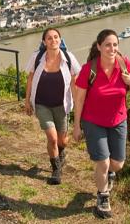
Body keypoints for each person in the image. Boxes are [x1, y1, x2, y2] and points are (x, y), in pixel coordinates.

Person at [72, 29, 130, 219]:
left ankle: (109, 174)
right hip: (93, 121)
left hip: (118, 119)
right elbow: (80, 99)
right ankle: (102, 198)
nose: (112, 48)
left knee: (117, 165)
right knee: (103, 161)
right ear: (99, 46)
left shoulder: (124, 64)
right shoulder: (89, 69)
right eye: (108, 44)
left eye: (115, 44)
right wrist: (76, 125)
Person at [24, 28, 81, 185]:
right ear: (44, 42)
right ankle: (56, 170)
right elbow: (29, 79)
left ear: (60, 40)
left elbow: (75, 84)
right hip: (42, 105)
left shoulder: (69, 58)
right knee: (52, 138)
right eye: (49, 38)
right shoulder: (37, 57)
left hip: (61, 106)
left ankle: (60, 153)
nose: (53, 40)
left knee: (63, 141)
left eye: (56, 37)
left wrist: (78, 106)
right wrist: (27, 101)